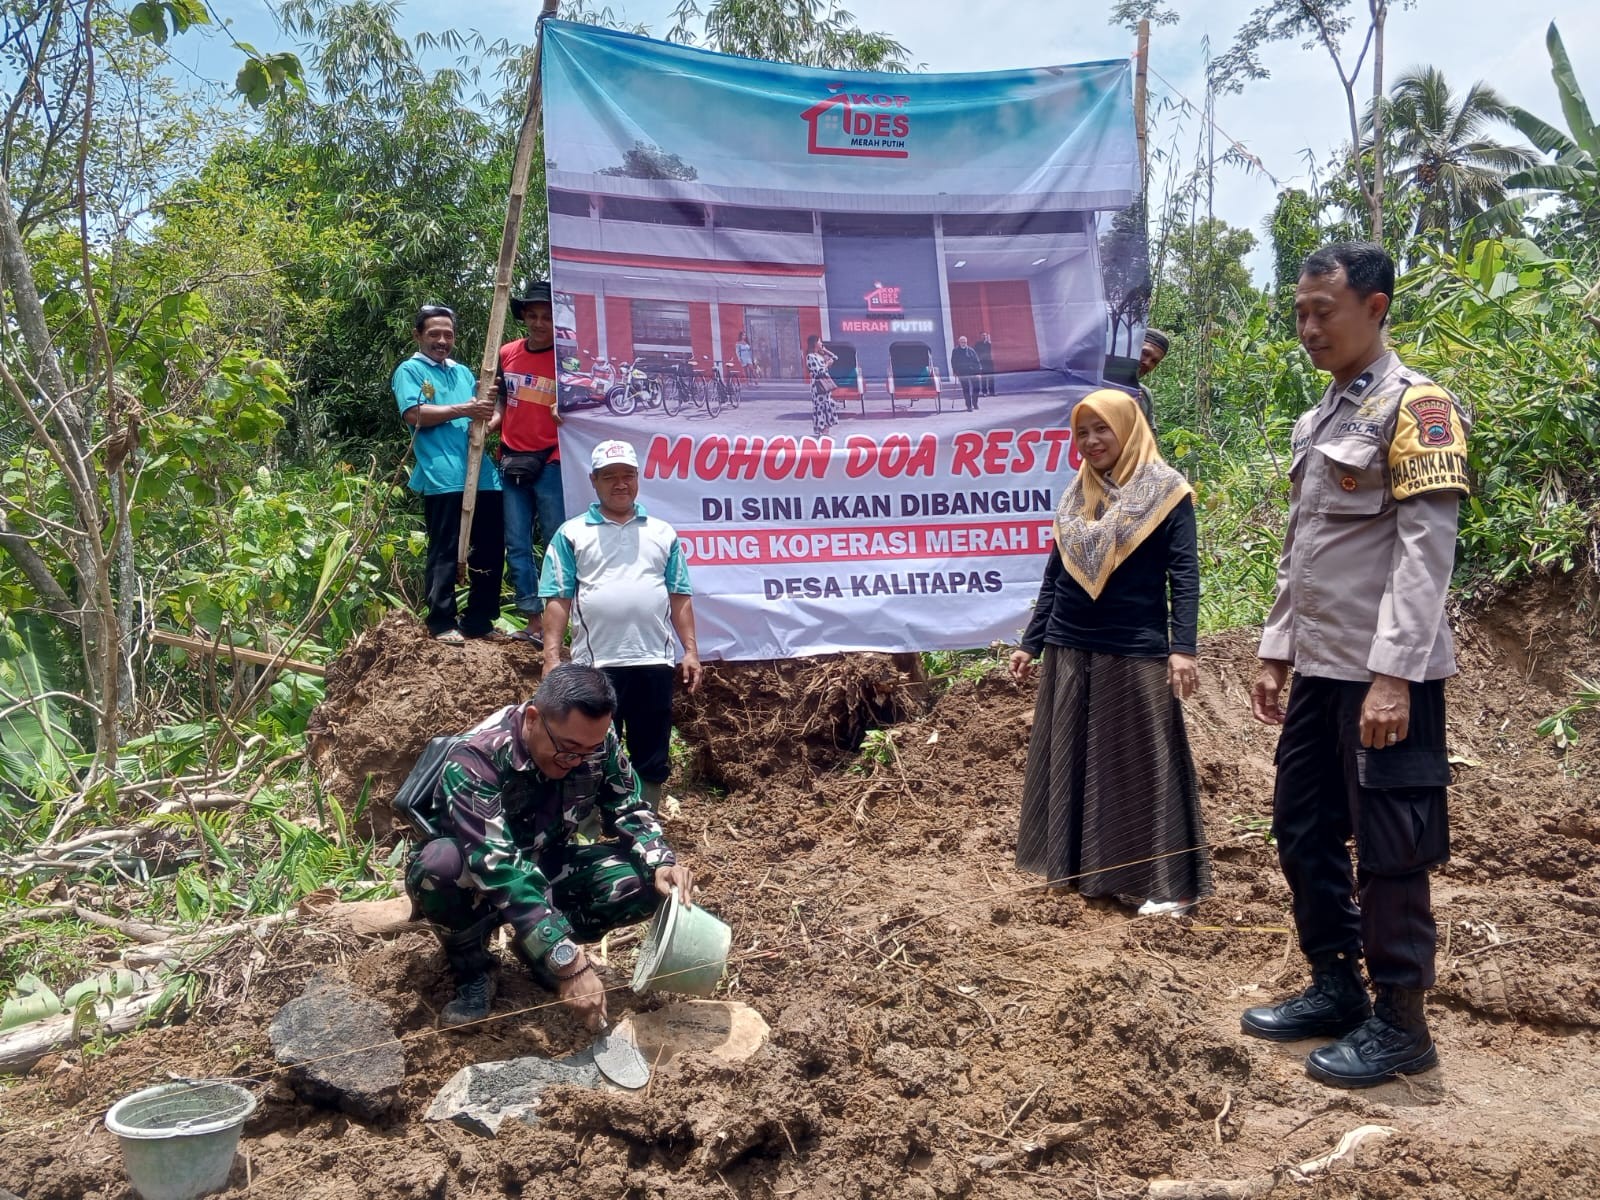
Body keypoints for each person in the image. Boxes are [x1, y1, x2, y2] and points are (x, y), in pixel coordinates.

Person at [1241, 241, 1471, 1089]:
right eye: (1299, 313)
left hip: (1385, 681)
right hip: (1320, 671)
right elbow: (1300, 550)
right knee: (1301, 828)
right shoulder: (1320, 420)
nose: (1308, 328)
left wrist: (1394, 675)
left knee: (1390, 850)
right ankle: (1336, 986)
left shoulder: (1418, 408)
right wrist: (1276, 651)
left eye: (1323, 311)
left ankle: (1402, 1024)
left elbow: (1425, 552)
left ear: (1374, 308)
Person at [405, 664, 695, 1030]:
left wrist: (660, 862)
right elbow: (498, 865)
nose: (577, 761)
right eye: (568, 750)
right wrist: (568, 959)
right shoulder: (475, 758)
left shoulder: (594, 743)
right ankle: (474, 970)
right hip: (477, 878)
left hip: (547, 863)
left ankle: (535, 953)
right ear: (532, 719)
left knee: (642, 881)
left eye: (588, 752)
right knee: (437, 867)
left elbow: (628, 807)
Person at [1009, 389, 1210, 915]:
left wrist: (1182, 648)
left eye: (1102, 429)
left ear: (1128, 429)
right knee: (1072, 761)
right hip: (1070, 645)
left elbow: (1184, 575)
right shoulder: (1077, 495)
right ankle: (1083, 870)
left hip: (1134, 647)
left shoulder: (1166, 491)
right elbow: (1055, 576)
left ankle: (1172, 886)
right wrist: (1032, 642)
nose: (1092, 441)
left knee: (1143, 764)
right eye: (1082, 432)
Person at [540, 440, 703, 809]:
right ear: (593, 481)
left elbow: (679, 595)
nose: (620, 483)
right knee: (590, 748)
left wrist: (691, 651)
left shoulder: (663, 533)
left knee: (652, 751)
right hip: (595, 665)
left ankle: (645, 822)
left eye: (627, 475)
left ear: (637, 478)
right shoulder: (572, 534)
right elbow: (558, 597)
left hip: (653, 660)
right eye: (609, 476)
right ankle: (588, 824)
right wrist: (551, 657)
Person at [392, 303, 503, 645]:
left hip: (482, 472)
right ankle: (441, 620)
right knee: (445, 547)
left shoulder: (463, 372)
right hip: (443, 473)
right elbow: (414, 414)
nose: (442, 341)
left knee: (490, 546)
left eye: (448, 334)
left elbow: (484, 413)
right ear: (418, 335)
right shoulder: (409, 371)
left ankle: (480, 618)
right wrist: (465, 409)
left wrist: (486, 417)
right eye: (434, 334)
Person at [496, 282, 566, 646]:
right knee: (517, 542)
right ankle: (532, 620)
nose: (539, 323)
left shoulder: (567, 358)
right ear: (523, 316)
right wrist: (491, 422)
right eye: (533, 315)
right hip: (511, 458)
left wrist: (565, 411)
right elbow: (500, 398)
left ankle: (559, 623)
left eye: (547, 317)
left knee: (556, 542)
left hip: (551, 458)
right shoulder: (506, 353)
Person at [805, 335, 839, 434]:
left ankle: (826, 431)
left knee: (827, 406)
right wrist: (827, 365)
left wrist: (825, 350)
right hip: (818, 386)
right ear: (815, 343)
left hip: (825, 385)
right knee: (820, 407)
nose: (821, 343)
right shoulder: (810, 357)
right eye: (819, 341)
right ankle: (822, 430)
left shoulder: (820, 355)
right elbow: (818, 372)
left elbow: (835, 357)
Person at [1137, 328, 1169, 430]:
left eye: (1154, 361)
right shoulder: (1096, 382)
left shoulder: (1145, 395)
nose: (1147, 363)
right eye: (1145, 353)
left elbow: (1150, 436)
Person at [951, 336, 982, 411]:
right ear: (959, 342)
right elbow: (953, 362)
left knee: (976, 388)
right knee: (966, 389)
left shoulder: (971, 350)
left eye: (965, 342)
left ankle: (975, 403)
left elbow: (977, 361)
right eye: (962, 342)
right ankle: (969, 406)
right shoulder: (955, 351)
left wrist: (978, 372)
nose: (963, 343)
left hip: (973, 372)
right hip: (962, 373)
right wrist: (955, 371)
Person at [976, 331, 996, 397]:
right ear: (980, 336)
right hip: (982, 363)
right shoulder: (978, 344)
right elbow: (976, 354)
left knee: (991, 378)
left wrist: (990, 342)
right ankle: (984, 392)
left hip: (989, 363)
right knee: (983, 378)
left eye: (985, 335)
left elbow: (993, 351)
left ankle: (992, 392)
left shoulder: (990, 344)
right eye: (983, 335)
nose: (984, 337)